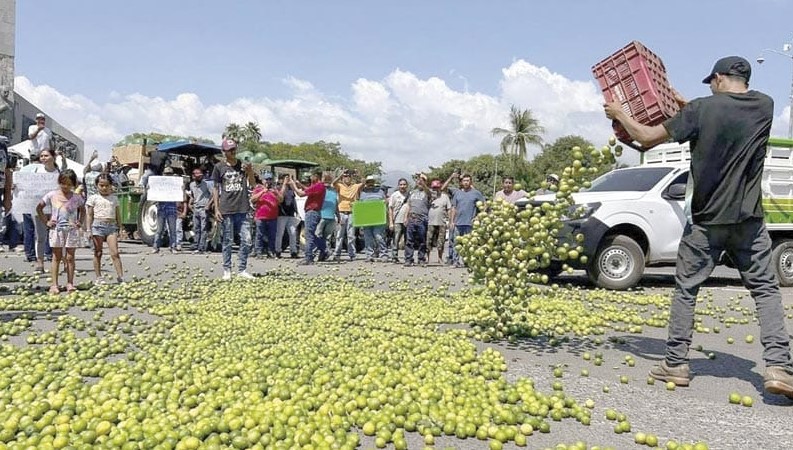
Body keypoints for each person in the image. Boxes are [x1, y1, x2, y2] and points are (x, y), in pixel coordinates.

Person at [604, 55, 793, 399]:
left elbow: (646, 138)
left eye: (712, 82)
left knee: (687, 290)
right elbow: (726, 116)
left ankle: (676, 364)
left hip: (707, 221)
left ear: (718, 78)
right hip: (748, 221)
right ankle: (779, 367)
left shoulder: (701, 110)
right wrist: (686, 106)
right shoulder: (764, 106)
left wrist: (620, 114)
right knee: (766, 290)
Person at [212, 139, 255, 280]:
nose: (233, 152)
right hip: (226, 209)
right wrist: (217, 209)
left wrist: (250, 171)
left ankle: (242, 269)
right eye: (230, 150)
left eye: (234, 149)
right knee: (227, 241)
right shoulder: (219, 167)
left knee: (247, 240)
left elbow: (253, 184)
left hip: (243, 208)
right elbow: (215, 189)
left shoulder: (243, 165)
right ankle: (227, 270)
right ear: (224, 152)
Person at [36, 169, 85, 294]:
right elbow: (39, 207)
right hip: (56, 230)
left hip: (72, 230)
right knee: (56, 256)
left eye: (69, 184)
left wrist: (80, 221)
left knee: (70, 257)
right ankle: (54, 284)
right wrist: (46, 221)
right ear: (59, 182)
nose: (66, 187)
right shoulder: (52, 195)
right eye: (63, 183)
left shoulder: (76, 197)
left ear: (73, 184)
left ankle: (70, 283)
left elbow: (83, 209)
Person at [86, 174, 124, 284]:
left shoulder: (114, 198)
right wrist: (88, 230)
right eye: (101, 185)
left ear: (111, 185)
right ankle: (99, 277)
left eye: (107, 185)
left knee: (115, 253)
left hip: (111, 227)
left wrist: (120, 228)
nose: (104, 188)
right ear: (97, 185)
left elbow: (117, 214)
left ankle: (120, 277)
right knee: (98, 252)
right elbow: (89, 215)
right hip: (97, 226)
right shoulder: (93, 198)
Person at [29, 148, 60, 273]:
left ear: (53, 157)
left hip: (55, 208)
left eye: (46, 155)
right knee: (40, 236)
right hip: (39, 207)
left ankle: (59, 261)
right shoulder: (36, 171)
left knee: (58, 236)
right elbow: (27, 185)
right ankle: (40, 262)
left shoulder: (59, 172)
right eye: (41, 156)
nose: (43, 158)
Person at [448, 173, 485, 268]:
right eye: (464, 181)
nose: (466, 182)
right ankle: (455, 261)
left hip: (470, 223)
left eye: (468, 180)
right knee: (456, 243)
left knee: (470, 244)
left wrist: (478, 217)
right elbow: (453, 207)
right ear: (461, 182)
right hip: (458, 223)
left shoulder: (476, 193)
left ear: (471, 182)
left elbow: (484, 206)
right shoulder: (457, 193)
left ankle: (468, 262)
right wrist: (452, 221)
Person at [290, 170, 326, 265]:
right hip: (314, 212)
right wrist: (300, 185)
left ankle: (308, 257)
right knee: (311, 234)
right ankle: (324, 249)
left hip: (312, 212)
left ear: (316, 176)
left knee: (308, 235)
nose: (310, 178)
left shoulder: (318, 186)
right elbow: (309, 190)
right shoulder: (319, 186)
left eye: (311, 176)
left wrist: (293, 185)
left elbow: (301, 194)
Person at [151, 167, 183, 255]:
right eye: (166, 174)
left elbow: (181, 196)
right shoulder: (160, 183)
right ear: (163, 174)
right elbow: (153, 194)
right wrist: (151, 189)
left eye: (169, 174)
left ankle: (173, 247)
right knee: (159, 230)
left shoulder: (175, 184)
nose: (168, 175)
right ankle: (156, 247)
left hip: (172, 209)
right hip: (161, 208)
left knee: (173, 230)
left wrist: (182, 189)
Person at [333, 169, 362, 262]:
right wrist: (340, 174)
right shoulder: (340, 186)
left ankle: (352, 254)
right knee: (339, 235)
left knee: (351, 235)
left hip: (351, 213)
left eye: (349, 176)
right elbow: (333, 183)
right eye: (345, 176)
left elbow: (364, 182)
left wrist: (358, 174)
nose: (347, 178)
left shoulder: (355, 186)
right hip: (341, 212)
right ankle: (337, 254)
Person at [403, 174, 431, 267]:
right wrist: (406, 217)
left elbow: (429, 193)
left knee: (422, 240)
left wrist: (424, 184)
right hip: (412, 218)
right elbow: (408, 205)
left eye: (423, 180)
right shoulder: (412, 192)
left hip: (422, 219)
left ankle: (421, 259)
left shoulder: (428, 192)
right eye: (419, 180)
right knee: (409, 240)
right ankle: (408, 259)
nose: (420, 181)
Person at [359, 175, 389, 262]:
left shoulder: (380, 191)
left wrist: (385, 202)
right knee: (368, 238)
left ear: (374, 182)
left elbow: (386, 202)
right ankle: (369, 255)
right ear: (366, 183)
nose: (370, 183)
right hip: (367, 219)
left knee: (379, 236)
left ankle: (383, 254)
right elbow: (360, 206)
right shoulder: (363, 193)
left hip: (379, 219)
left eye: (372, 181)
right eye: (368, 182)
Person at [251, 175, 282, 258]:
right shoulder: (258, 189)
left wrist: (276, 193)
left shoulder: (275, 190)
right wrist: (262, 192)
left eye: (270, 179)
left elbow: (281, 200)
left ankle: (271, 251)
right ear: (263, 181)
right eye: (266, 179)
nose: (268, 181)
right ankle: (258, 251)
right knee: (259, 235)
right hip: (260, 216)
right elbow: (252, 199)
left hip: (273, 216)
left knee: (272, 235)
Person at [426, 179, 451, 265]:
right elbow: (426, 189)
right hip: (430, 222)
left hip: (442, 222)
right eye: (434, 188)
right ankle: (427, 258)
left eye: (437, 187)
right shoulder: (430, 196)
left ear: (440, 187)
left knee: (441, 241)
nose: (435, 189)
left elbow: (449, 209)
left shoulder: (445, 196)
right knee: (428, 241)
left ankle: (440, 258)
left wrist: (449, 221)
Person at [275, 173, 300, 259]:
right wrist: (284, 184)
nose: (288, 180)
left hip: (291, 214)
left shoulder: (291, 189)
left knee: (293, 233)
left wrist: (296, 211)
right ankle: (277, 251)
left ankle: (293, 251)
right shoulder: (279, 188)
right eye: (286, 178)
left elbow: (293, 200)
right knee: (280, 233)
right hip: (282, 214)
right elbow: (280, 197)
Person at [187, 167, 212, 254]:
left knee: (203, 228)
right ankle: (196, 245)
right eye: (196, 176)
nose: (198, 177)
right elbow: (193, 195)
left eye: (200, 176)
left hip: (203, 208)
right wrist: (190, 203)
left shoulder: (207, 184)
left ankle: (201, 247)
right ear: (193, 176)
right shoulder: (191, 185)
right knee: (196, 228)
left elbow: (213, 195)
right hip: (195, 208)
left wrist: (208, 205)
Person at [317, 173, 340, 261]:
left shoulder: (334, 191)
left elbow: (336, 204)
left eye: (328, 180)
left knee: (327, 238)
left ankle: (323, 254)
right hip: (321, 216)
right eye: (325, 180)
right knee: (317, 236)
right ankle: (314, 254)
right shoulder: (319, 189)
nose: (327, 182)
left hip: (331, 217)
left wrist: (338, 216)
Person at [388, 178, 410, 263]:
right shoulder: (394, 195)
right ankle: (394, 257)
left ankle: (408, 257)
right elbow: (390, 209)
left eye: (404, 184)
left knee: (408, 240)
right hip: (397, 220)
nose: (402, 186)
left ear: (407, 185)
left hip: (407, 221)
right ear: (398, 185)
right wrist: (391, 222)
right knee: (396, 239)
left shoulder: (410, 195)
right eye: (401, 184)